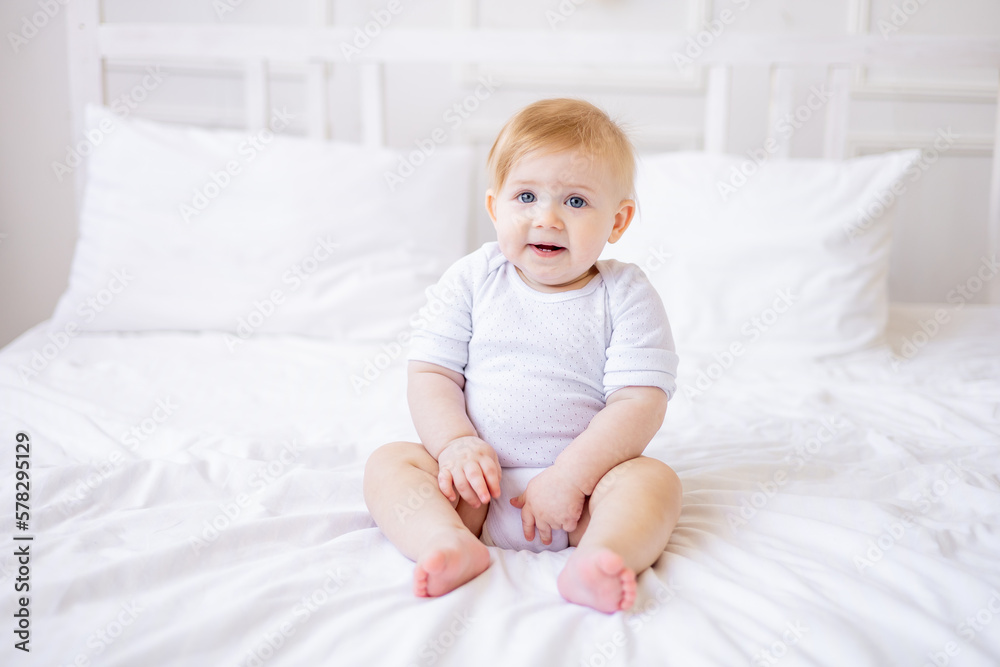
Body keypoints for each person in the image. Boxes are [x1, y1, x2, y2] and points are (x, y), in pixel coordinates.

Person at [363, 98, 682, 613]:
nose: (547, 218)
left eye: (576, 202)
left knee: (654, 482)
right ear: (495, 208)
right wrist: (455, 445)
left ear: (617, 222)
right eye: (526, 196)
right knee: (390, 464)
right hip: (474, 490)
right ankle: (445, 542)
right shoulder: (473, 279)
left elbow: (639, 402)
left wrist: (572, 478)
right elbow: (431, 374)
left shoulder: (625, 293)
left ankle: (601, 557)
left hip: (583, 497)